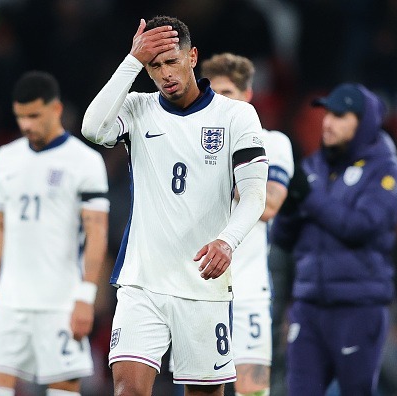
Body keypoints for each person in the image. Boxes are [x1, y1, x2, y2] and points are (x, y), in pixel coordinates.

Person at [82, 15, 268, 396]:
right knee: (127, 391)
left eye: (171, 61)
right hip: (143, 282)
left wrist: (227, 241)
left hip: (203, 284)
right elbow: (93, 128)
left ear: (193, 57)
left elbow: (253, 194)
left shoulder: (236, 115)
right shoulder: (137, 108)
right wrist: (131, 61)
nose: (164, 73)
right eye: (154, 66)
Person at [0, 71, 109, 396]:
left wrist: (85, 298)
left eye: (34, 116)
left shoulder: (85, 161)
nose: (26, 125)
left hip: (59, 302)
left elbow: (96, 233)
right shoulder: (6, 158)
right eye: (21, 117)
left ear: (56, 109)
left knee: (63, 389)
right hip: (10, 301)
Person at [272, 83, 397, 396]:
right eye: (327, 113)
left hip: (357, 306)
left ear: (364, 123)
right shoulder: (312, 166)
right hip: (308, 305)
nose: (328, 122)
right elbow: (281, 238)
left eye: (340, 115)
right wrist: (290, 210)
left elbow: (361, 226)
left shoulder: (386, 170)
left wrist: (309, 198)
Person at [199, 53, 294, 396]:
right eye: (213, 93)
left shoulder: (273, 142)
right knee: (200, 388)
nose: (220, 102)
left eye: (228, 93)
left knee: (252, 390)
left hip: (249, 289)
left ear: (247, 95)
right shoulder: (191, 142)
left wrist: (222, 166)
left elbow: (267, 205)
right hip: (197, 289)